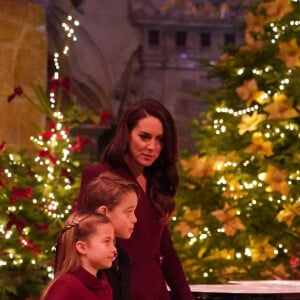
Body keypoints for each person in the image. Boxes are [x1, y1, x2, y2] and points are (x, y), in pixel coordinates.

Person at [78, 99, 194, 300]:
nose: (152, 147)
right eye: (144, 137)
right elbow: (80, 238)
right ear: (127, 135)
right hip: (117, 291)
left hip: (155, 291)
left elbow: (165, 248)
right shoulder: (99, 177)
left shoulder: (157, 181)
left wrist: (184, 295)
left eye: (160, 140)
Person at [81, 171, 139, 300]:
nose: (135, 219)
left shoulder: (122, 257)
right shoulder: (86, 259)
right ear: (104, 212)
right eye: (129, 212)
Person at [41, 211, 116, 300]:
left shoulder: (104, 286)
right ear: (82, 247)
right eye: (106, 241)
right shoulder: (66, 286)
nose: (114, 249)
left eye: (113, 242)